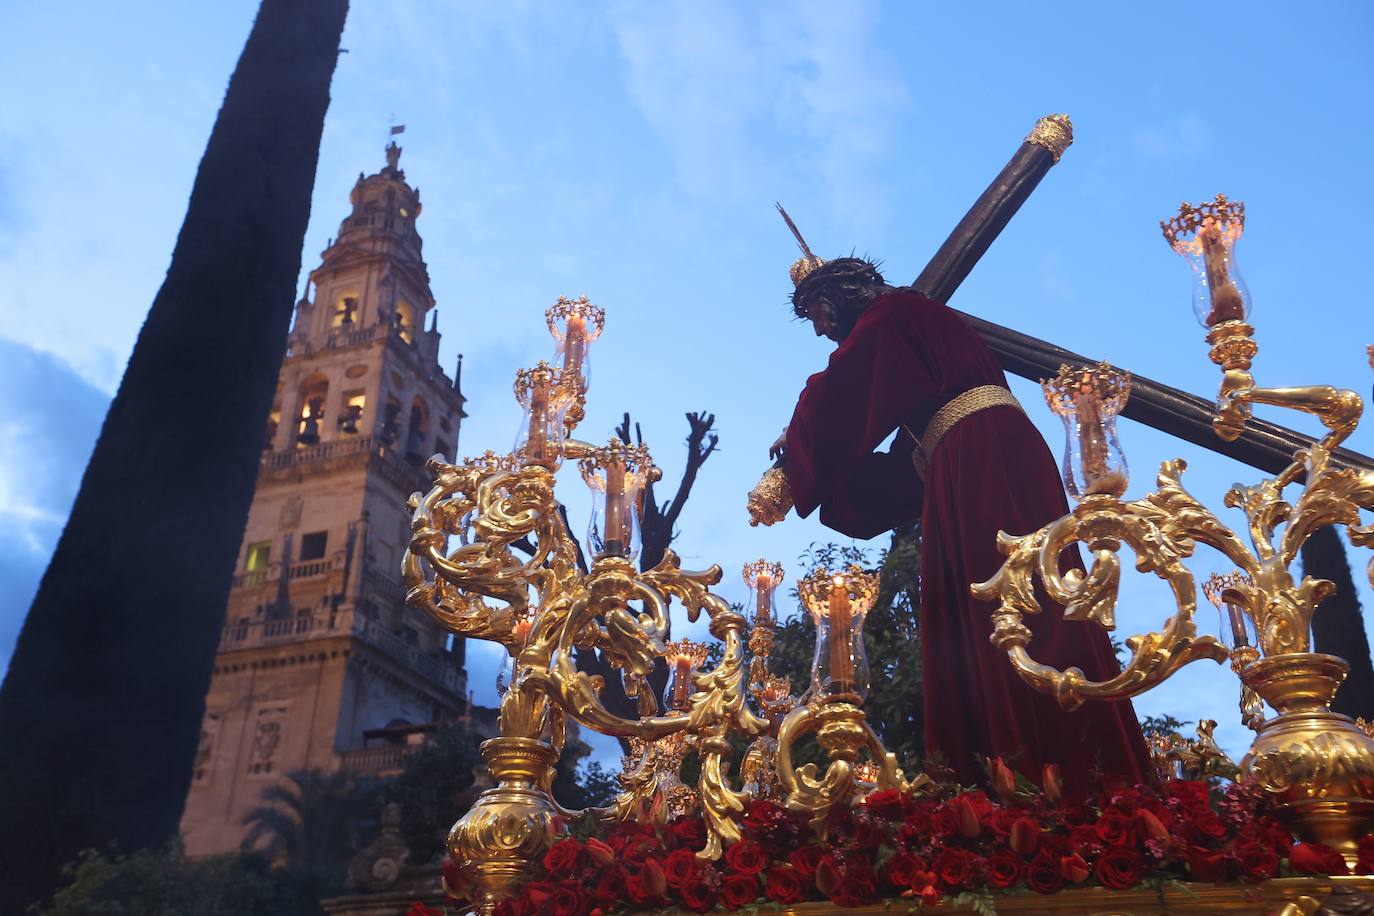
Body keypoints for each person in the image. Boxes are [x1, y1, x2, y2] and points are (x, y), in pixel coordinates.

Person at [777, 253, 1150, 789]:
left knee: (1012, 605)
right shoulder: (918, 348)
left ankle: (1054, 772)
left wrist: (795, 456)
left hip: (982, 461)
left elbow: (837, 392)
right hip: (973, 457)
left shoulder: (895, 314)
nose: (818, 329)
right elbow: (898, 465)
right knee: (987, 609)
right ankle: (1005, 772)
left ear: (842, 295)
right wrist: (824, 475)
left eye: (817, 311)